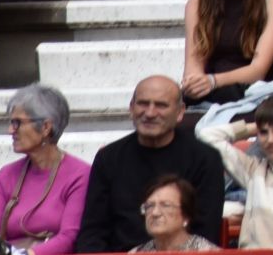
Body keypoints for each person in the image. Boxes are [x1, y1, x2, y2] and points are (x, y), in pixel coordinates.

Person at [72, 77, 222, 254]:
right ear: (131, 108)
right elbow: (93, 230)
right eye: (143, 104)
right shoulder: (109, 158)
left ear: (180, 112)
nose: (150, 113)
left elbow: (206, 231)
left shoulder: (204, 158)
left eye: (161, 105)